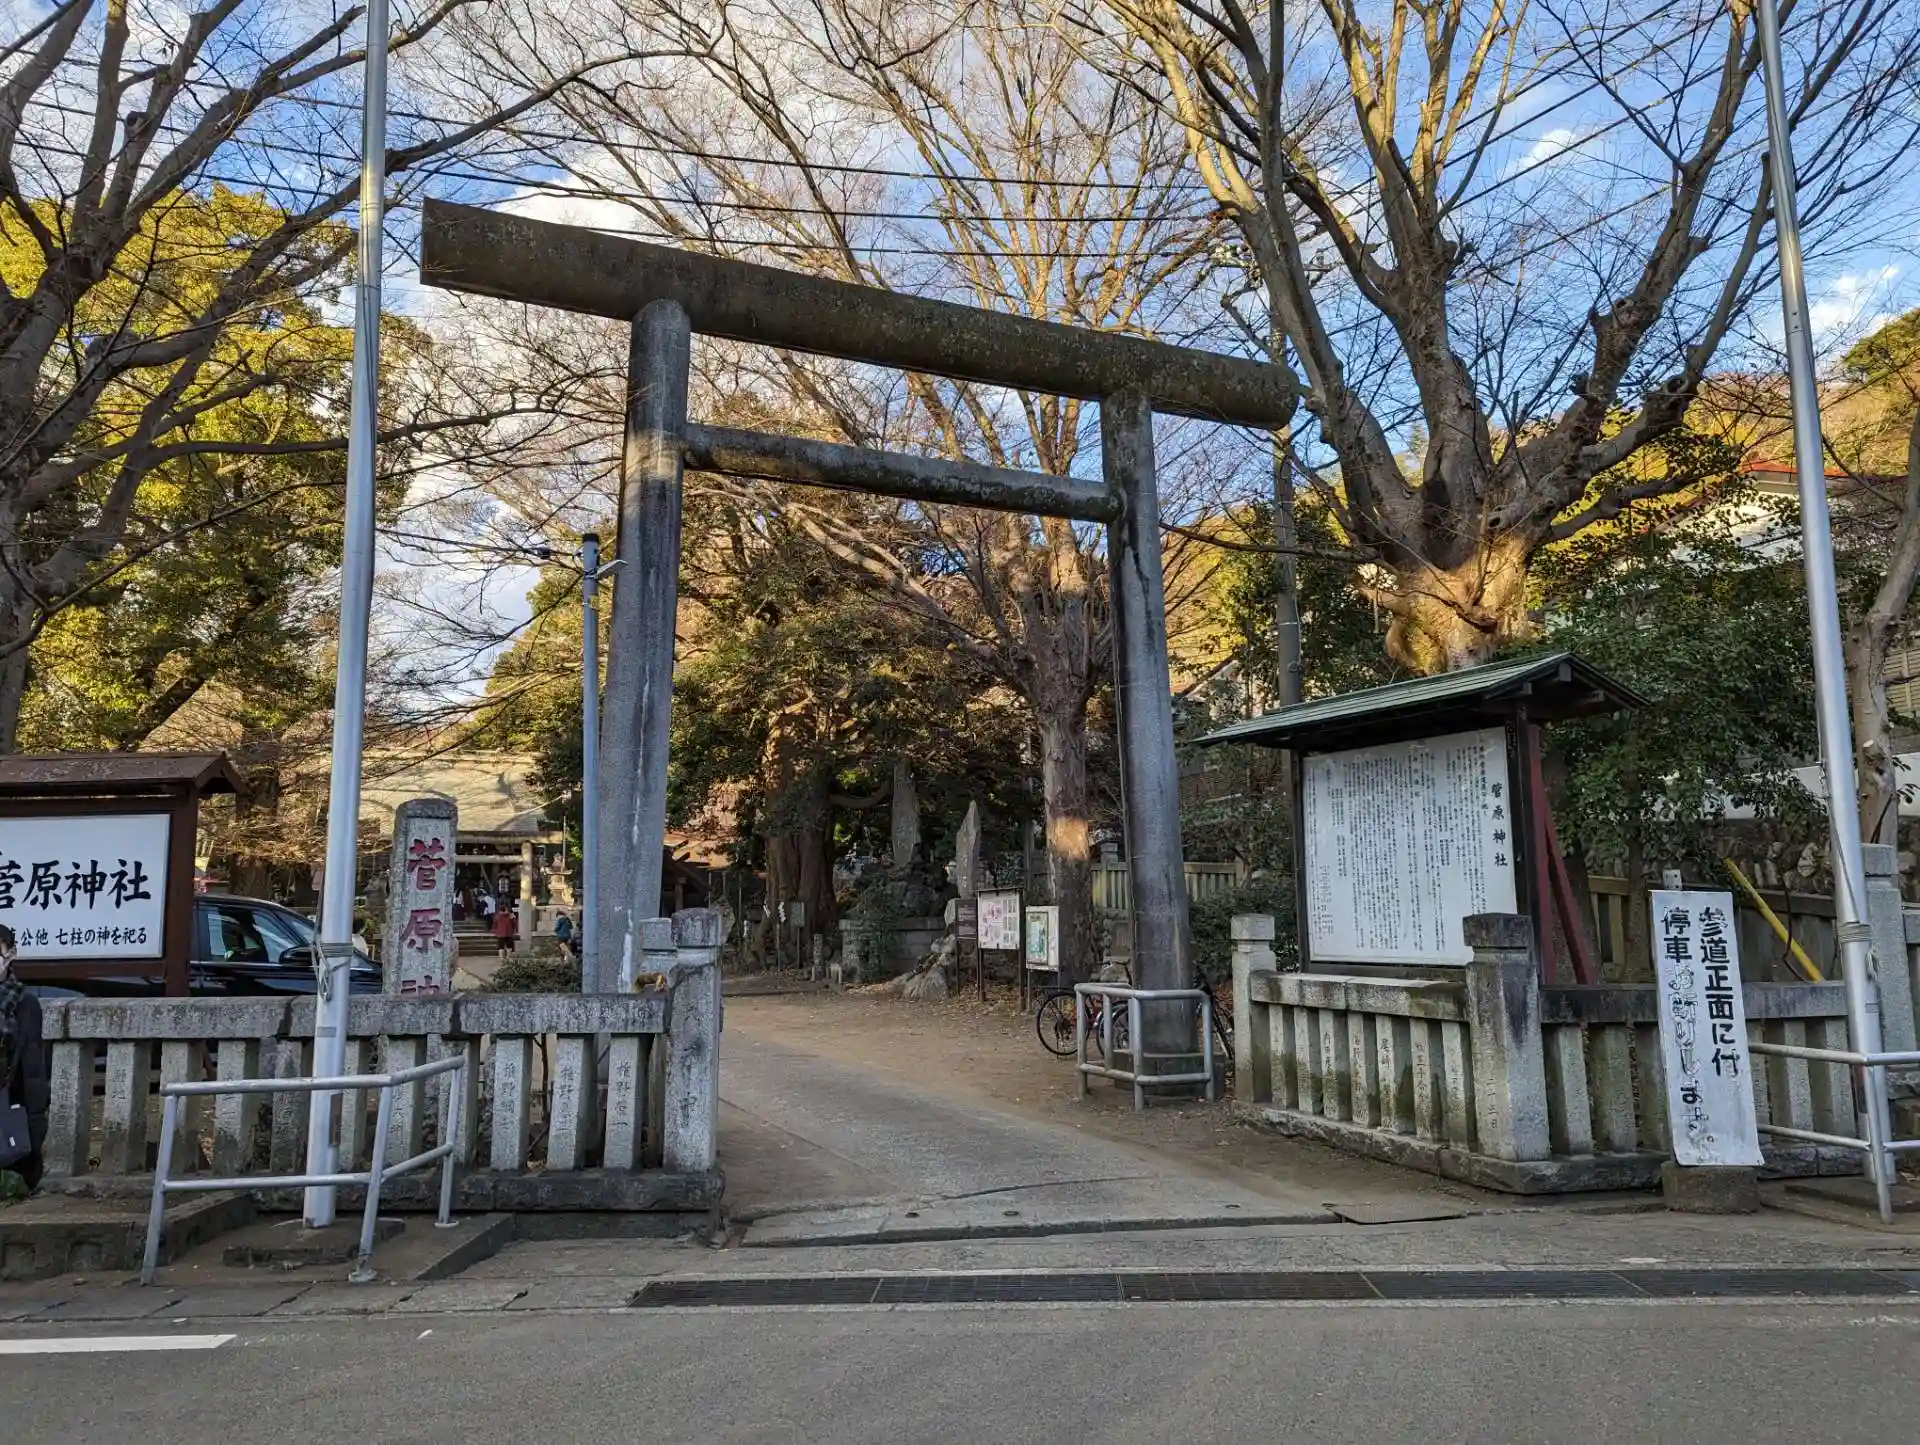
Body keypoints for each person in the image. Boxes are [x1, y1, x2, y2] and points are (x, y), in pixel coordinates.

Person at [0, 925, 50, 1191]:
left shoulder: (23, 1004)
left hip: (9, 1108)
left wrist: (34, 1123)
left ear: (11, 955)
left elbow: (33, 1071)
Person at [491, 894, 517, 962]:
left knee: (501, 947)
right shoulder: (510, 916)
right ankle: (509, 958)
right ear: (506, 909)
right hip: (509, 933)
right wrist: (514, 930)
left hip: (500, 934)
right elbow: (514, 924)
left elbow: (494, 925)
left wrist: (495, 931)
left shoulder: (497, 917)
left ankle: (502, 958)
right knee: (509, 946)